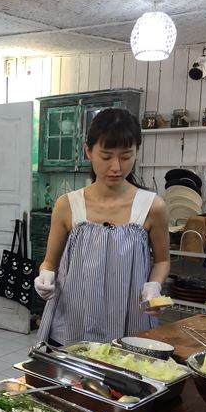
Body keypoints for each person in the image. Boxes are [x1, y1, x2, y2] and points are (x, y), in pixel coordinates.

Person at [35, 108, 170, 346]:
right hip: (72, 325)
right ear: (88, 151)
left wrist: (154, 286)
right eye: (106, 156)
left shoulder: (152, 207)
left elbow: (162, 260)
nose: (116, 167)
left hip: (130, 322)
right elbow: (50, 262)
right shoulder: (68, 205)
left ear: (137, 151)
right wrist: (45, 276)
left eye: (126, 156)